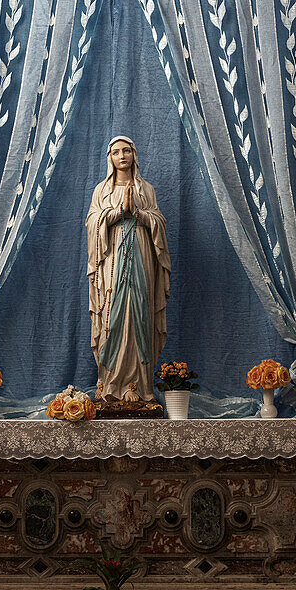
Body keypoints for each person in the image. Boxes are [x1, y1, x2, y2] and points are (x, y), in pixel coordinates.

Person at [86, 136, 171, 402]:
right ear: (109, 158)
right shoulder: (102, 190)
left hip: (142, 254)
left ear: (134, 154)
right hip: (112, 258)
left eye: (126, 151)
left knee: (140, 313)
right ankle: (110, 383)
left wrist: (140, 214)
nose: (121, 156)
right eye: (115, 152)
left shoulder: (146, 189)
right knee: (112, 312)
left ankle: (140, 386)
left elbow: (158, 220)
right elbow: (91, 223)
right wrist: (117, 213)